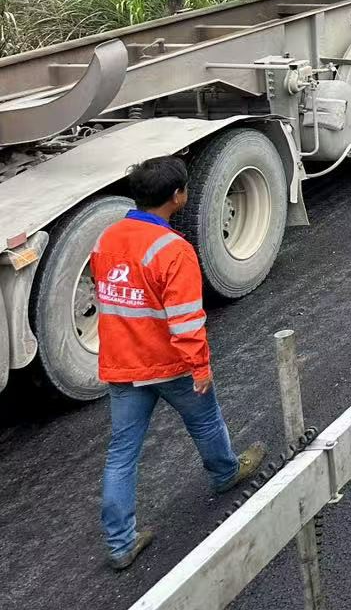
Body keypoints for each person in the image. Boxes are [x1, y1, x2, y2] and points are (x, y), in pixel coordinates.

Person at [92, 156, 266, 570]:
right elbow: (186, 319)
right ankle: (225, 474)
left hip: (122, 366)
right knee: (205, 422)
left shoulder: (106, 239)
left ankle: (120, 544)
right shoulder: (174, 251)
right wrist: (199, 367)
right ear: (177, 196)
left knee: (122, 453)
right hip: (169, 365)